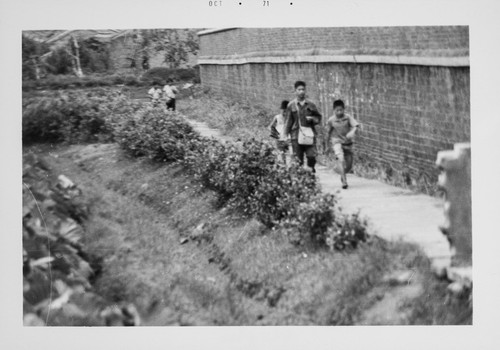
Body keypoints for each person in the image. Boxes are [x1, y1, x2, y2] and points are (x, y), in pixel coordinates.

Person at [284, 81, 322, 173]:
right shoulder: (291, 105)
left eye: (303, 89)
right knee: (298, 161)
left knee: (311, 156)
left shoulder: (311, 104)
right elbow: (288, 122)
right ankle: (302, 181)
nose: (301, 91)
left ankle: (311, 172)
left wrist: (312, 119)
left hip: (309, 135)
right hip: (295, 137)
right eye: (299, 89)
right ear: (295, 91)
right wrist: (285, 136)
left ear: (305, 91)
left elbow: (318, 117)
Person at [326, 99, 360, 189]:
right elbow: (328, 132)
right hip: (337, 142)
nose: (339, 112)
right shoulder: (331, 120)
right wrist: (327, 145)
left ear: (344, 109)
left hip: (347, 142)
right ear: (334, 110)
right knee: (340, 158)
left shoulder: (347, 117)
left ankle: (343, 173)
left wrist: (352, 131)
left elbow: (356, 125)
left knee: (349, 165)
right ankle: (344, 181)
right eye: (337, 110)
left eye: (341, 110)